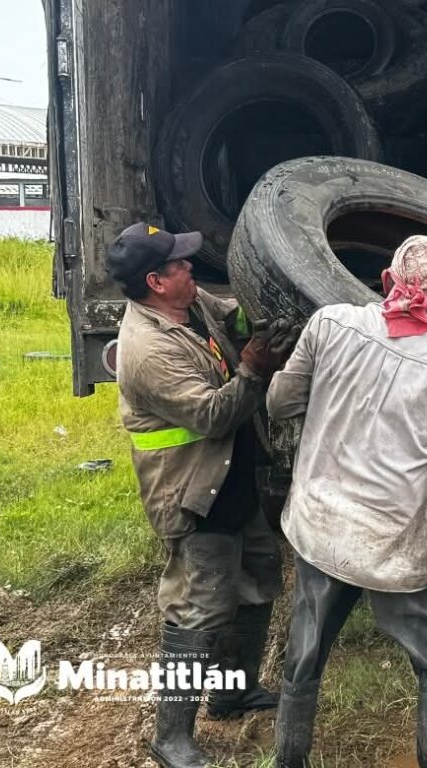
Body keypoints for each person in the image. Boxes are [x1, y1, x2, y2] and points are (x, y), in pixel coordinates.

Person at [267, 235, 427, 768]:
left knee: (305, 651)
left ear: (386, 279)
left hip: (319, 525)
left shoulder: (330, 324)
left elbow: (280, 403)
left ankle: (289, 759)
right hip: (394, 544)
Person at [109, 222, 296, 768]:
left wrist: (262, 318)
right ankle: (171, 737)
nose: (191, 267)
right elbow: (213, 415)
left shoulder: (190, 306)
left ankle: (234, 691)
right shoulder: (147, 349)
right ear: (154, 282)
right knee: (199, 607)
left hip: (230, 477)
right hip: (192, 493)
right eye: (179, 264)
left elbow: (231, 315)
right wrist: (253, 368)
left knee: (258, 580)